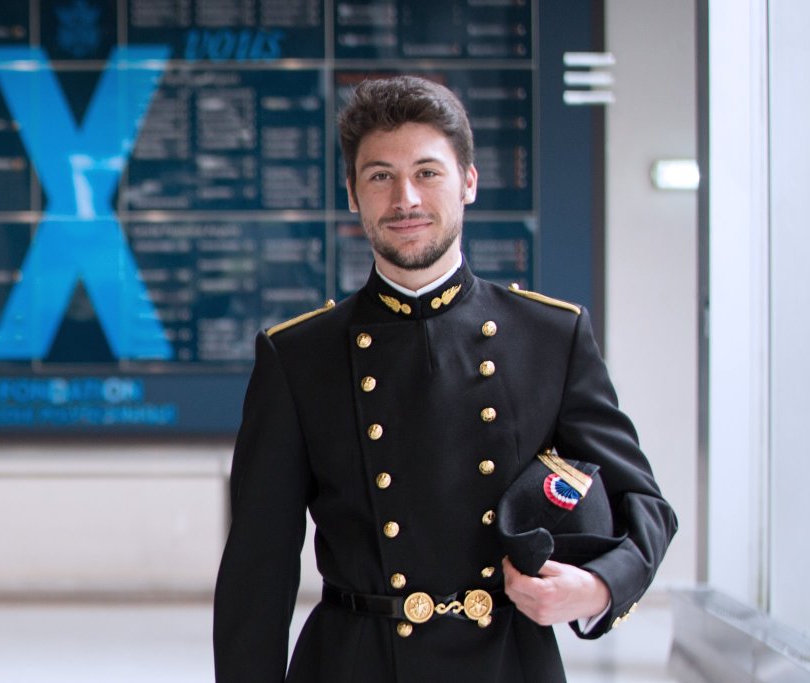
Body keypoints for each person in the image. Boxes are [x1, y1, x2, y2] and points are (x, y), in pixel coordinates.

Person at [212, 76, 676, 682]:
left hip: (509, 661)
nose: (405, 198)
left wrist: (596, 589)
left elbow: (644, 502)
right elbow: (258, 568)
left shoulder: (550, 336)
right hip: (354, 664)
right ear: (352, 195)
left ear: (469, 182)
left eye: (428, 173)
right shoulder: (298, 355)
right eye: (380, 176)